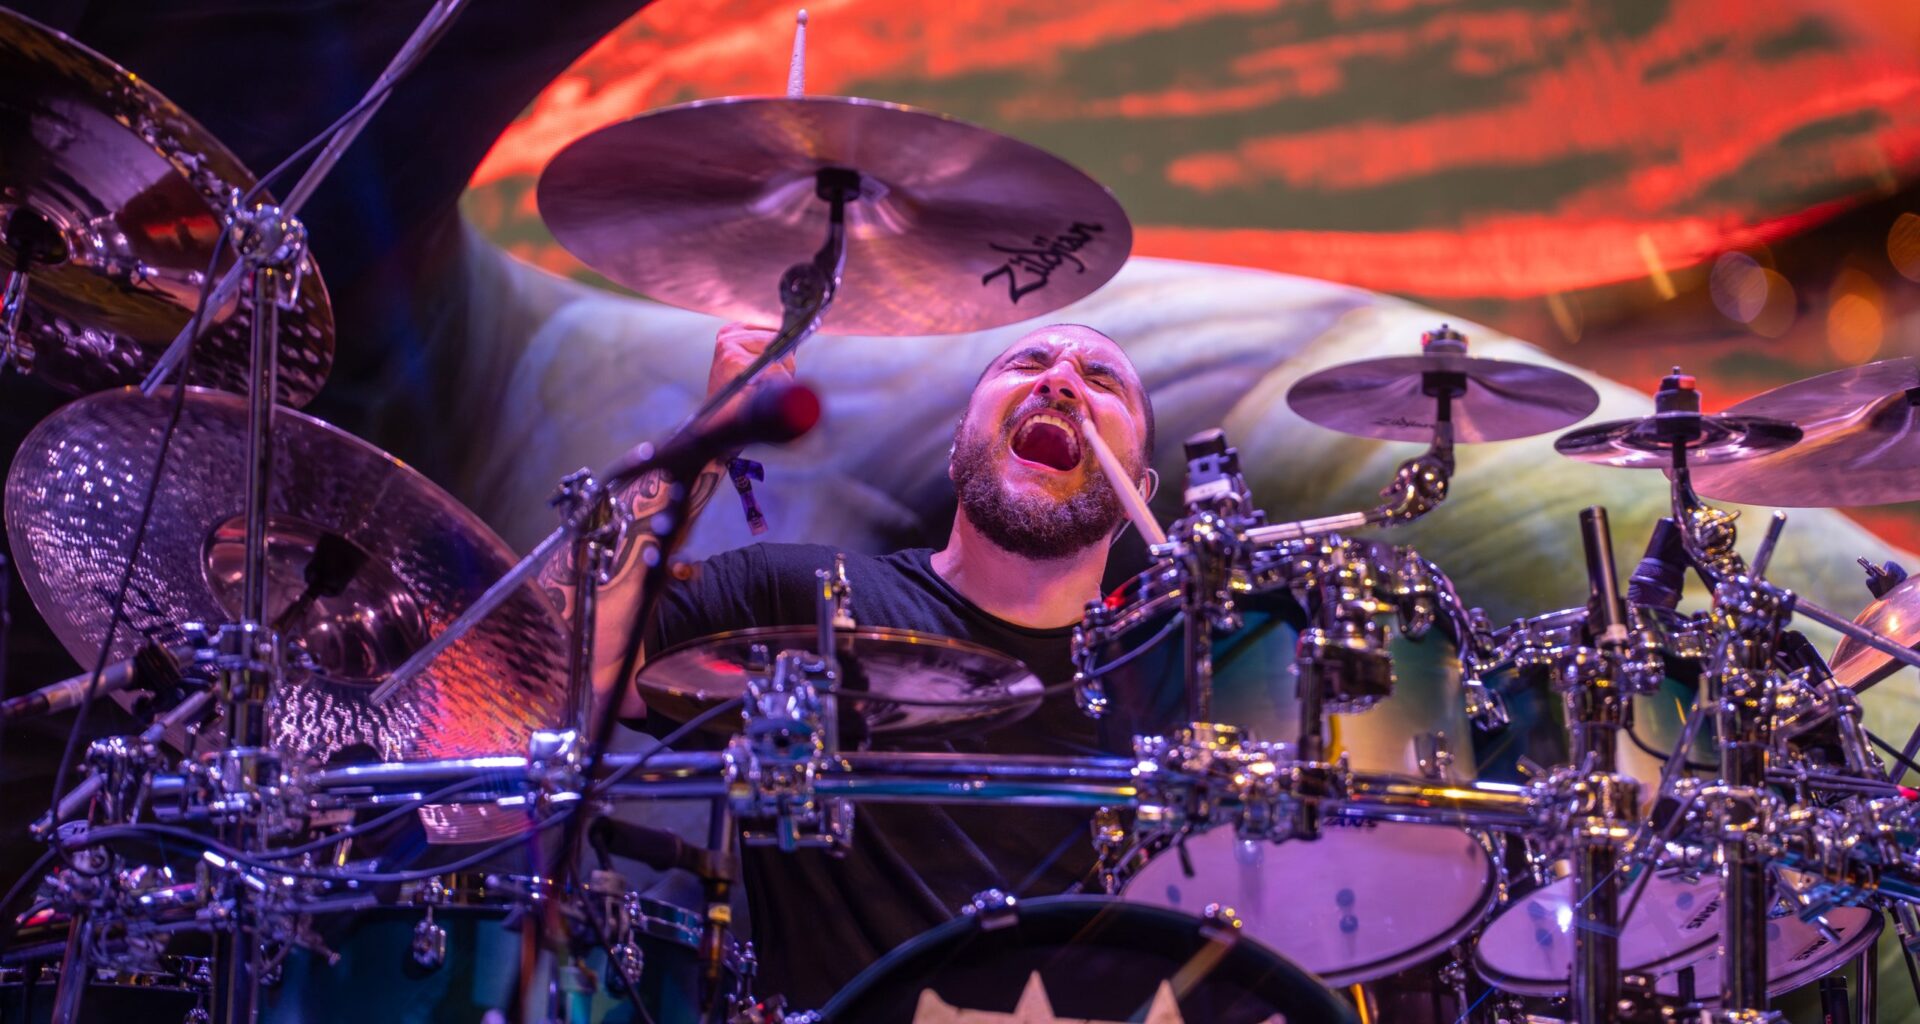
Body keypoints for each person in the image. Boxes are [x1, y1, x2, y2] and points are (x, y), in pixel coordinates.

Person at [547, 320, 1164, 1009]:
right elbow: (567, 665)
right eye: (1029, 363)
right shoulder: (798, 605)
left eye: (1100, 380)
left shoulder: (1169, 690)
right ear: (960, 444)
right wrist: (707, 440)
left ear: (1139, 488)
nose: (1060, 381)